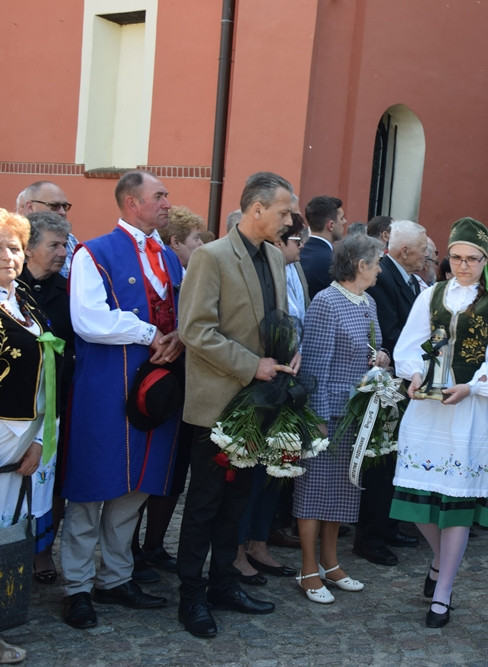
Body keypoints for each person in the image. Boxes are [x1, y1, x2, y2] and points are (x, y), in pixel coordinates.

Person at [61, 171, 185, 630]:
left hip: (158, 389)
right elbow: (89, 320)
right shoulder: (93, 253)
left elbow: (184, 312)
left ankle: (115, 578)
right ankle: (76, 587)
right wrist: (150, 333)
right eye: (159, 196)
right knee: (91, 488)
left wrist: (179, 337)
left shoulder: (169, 257)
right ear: (132, 203)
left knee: (136, 487)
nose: (167, 203)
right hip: (105, 388)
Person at [175, 172, 296, 638]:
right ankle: (191, 596)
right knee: (205, 503)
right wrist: (252, 365)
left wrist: (289, 352)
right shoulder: (211, 256)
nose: (289, 221)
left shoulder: (274, 256)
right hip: (219, 404)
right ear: (256, 209)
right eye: (284, 212)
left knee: (237, 502)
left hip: (260, 401)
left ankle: (224, 584)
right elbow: (195, 330)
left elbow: (276, 319)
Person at [390, 217, 488, 628]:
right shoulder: (431, 295)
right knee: (416, 499)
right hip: (428, 409)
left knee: (457, 505)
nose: (463, 266)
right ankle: (439, 561)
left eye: (472, 259)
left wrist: (473, 387)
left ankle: (443, 591)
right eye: (457, 258)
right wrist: (413, 373)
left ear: (485, 261)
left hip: (471, 411)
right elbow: (409, 346)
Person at [295, 233, 388, 604]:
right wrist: (316, 419)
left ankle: (330, 564)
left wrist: (381, 357)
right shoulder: (326, 301)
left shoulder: (368, 301)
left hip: (356, 413)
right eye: (376, 263)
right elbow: (314, 367)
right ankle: (307, 570)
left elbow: (373, 347)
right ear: (360, 265)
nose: (379, 270)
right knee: (314, 491)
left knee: (341, 491)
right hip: (328, 414)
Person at [230, 213, 311, 586]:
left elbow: (298, 317)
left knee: (273, 465)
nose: (301, 247)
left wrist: (296, 350)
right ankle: (236, 550)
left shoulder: (294, 270)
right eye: (295, 240)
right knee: (248, 470)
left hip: (286, 376)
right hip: (257, 377)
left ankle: (259, 543)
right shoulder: (255, 267)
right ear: (278, 242)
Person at [130, 204, 205, 584]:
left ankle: (154, 545)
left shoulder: (191, 275)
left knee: (174, 472)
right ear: (175, 242)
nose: (201, 245)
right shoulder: (158, 275)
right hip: (155, 383)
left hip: (185, 385)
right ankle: (130, 549)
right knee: (144, 473)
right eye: (195, 239)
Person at [0, 209, 61, 665]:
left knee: (6, 536)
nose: (9, 256)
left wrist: (42, 440)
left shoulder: (24, 300)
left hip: (26, 437)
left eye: (15, 247)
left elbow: (48, 380)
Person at [354, 219, 429, 567]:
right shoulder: (385, 280)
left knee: (393, 459)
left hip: (404, 379)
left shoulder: (409, 279)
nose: (427, 255)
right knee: (381, 462)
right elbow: (392, 332)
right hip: (390, 380)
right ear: (405, 251)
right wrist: (424, 355)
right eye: (423, 249)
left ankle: (387, 526)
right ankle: (370, 536)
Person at [20, 211, 72, 584]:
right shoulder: (11, 289)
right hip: (16, 405)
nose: (63, 252)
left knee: (52, 480)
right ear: (29, 248)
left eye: (64, 245)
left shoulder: (67, 291)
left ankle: (42, 551)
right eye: (54, 245)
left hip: (58, 403)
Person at [20, 181, 77, 278]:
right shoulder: (11, 240)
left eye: (64, 206)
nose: (62, 212)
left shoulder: (71, 240)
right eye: (54, 206)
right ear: (30, 207)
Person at [300, 195, 345, 298]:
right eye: (342, 218)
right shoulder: (333, 261)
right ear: (331, 225)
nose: (344, 222)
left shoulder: (298, 254)